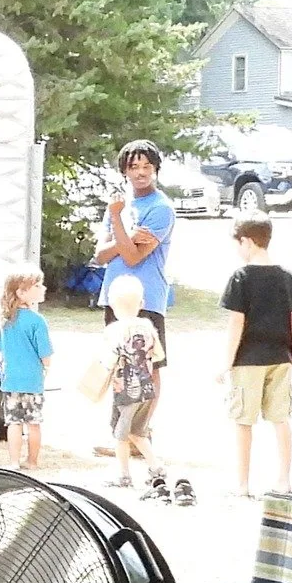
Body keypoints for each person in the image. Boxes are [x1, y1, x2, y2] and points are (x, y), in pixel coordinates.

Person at [92, 139, 175, 436]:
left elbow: (132, 255)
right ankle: (118, 433)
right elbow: (100, 254)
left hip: (146, 299)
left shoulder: (161, 208)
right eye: (134, 167)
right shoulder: (120, 204)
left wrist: (116, 219)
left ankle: (140, 432)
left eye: (146, 166)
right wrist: (124, 235)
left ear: (155, 169)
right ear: (124, 171)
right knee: (117, 364)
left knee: (149, 366)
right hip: (114, 297)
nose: (140, 173)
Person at [216, 215, 292, 497]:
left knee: (244, 421)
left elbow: (236, 324)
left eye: (238, 244)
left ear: (247, 241)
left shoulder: (241, 278)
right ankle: (284, 480)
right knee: (281, 419)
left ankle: (242, 484)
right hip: (281, 356)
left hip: (247, 359)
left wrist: (226, 363)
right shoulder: (286, 277)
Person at [102, 275, 163, 489]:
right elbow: (157, 355)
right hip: (147, 387)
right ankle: (156, 467)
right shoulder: (148, 327)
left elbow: (109, 358)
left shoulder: (114, 330)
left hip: (126, 389)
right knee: (138, 431)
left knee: (121, 433)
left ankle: (124, 475)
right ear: (142, 304)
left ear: (111, 304)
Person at [0, 270, 52, 469]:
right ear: (21, 292)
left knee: (13, 423)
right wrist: (47, 368)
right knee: (34, 423)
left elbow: (1, 349)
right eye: (37, 286)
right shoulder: (37, 321)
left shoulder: (6, 321)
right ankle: (32, 461)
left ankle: (13, 462)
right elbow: (45, 354)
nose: (42, 288)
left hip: (11, 381)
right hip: (33, 381)